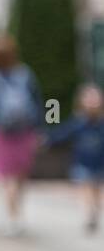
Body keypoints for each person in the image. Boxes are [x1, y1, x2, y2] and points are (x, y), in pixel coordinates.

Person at [0, 35, 42, 236]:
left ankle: (13, 215)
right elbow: (40, 101)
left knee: (7, 178)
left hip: (1, 132)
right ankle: (17, 212)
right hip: (25, 130)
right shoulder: (25, 74)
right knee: (20, 175)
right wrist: (44, 126)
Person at [47, 84, 104, 233]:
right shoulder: (78, 122)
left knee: (97, 189)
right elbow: (63, 134)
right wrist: (47, 139)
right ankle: (88, 214)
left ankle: (95, 210)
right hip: (82, 162)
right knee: (85, 187)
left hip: (100, 163)